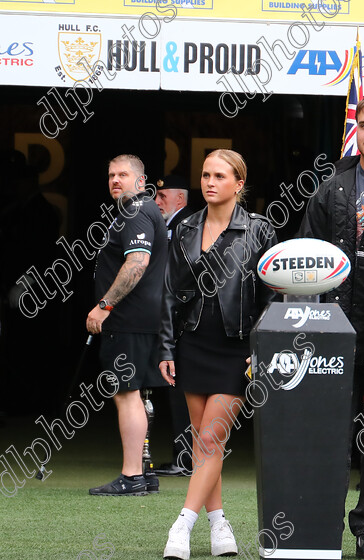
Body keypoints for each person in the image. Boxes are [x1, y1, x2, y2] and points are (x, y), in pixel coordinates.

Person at [298, 93, 364, 560]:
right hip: (331, 331)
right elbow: (305, 258)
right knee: (329, 436)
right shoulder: (331, 188)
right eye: (363, 123)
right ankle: (320, 524)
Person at [158, 149, 278, 559]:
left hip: (236, 348)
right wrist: (166, 346)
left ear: (239, 184)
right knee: (203, 442)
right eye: (205, 174)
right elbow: (170, 293)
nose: (209, 182)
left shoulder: (259, 230)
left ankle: (182, 525)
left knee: (211, 437)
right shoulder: (187, 226)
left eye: (220, 176)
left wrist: (261, 348)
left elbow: (273, 297)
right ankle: (218, 524)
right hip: (192, 344)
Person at [87, 154, 167, 497]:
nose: (115, 180)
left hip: (128, 317)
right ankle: (144, 473)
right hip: (143, 317)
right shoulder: (145, 210)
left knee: (126, 395)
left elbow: (137, 262)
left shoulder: (135, 210)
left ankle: (132, 476)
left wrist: (105, 305)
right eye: (111, 175)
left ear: (141, 180)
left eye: (123, 174)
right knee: (138, 395)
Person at [153, 174, 194, 478]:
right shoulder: (173, 225)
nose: (156, 202)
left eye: (162, 196)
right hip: (177, 318)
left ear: (179, 199)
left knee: (182, 389)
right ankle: (186, 455)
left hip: (183, 319)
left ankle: (186, 457)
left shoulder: (185, 224)